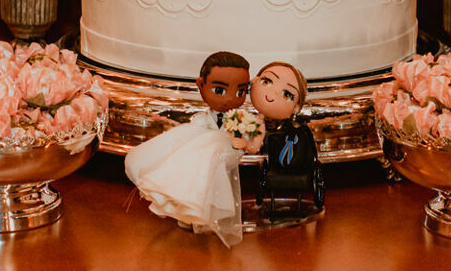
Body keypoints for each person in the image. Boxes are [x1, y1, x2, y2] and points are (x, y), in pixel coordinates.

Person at [123, 52, 255, 246]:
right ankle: (191, 211)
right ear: (201, 86)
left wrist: (243, 143)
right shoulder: (202, 120)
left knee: (210, 165)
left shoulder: (241, 120)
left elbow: (251, 142)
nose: (229, 99)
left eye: (240, 92)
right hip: (205, 160)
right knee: (193, 165)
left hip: (226, 155)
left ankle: (209, 213)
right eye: (219, 90)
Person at [252, 61, 323, 217]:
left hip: (297, 165)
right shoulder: (261, 128)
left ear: (297, 107)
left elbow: (311, 152)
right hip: (276, 166)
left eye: (287, 94)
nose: (274, 94)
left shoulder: (301, 131)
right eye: (267, 81)